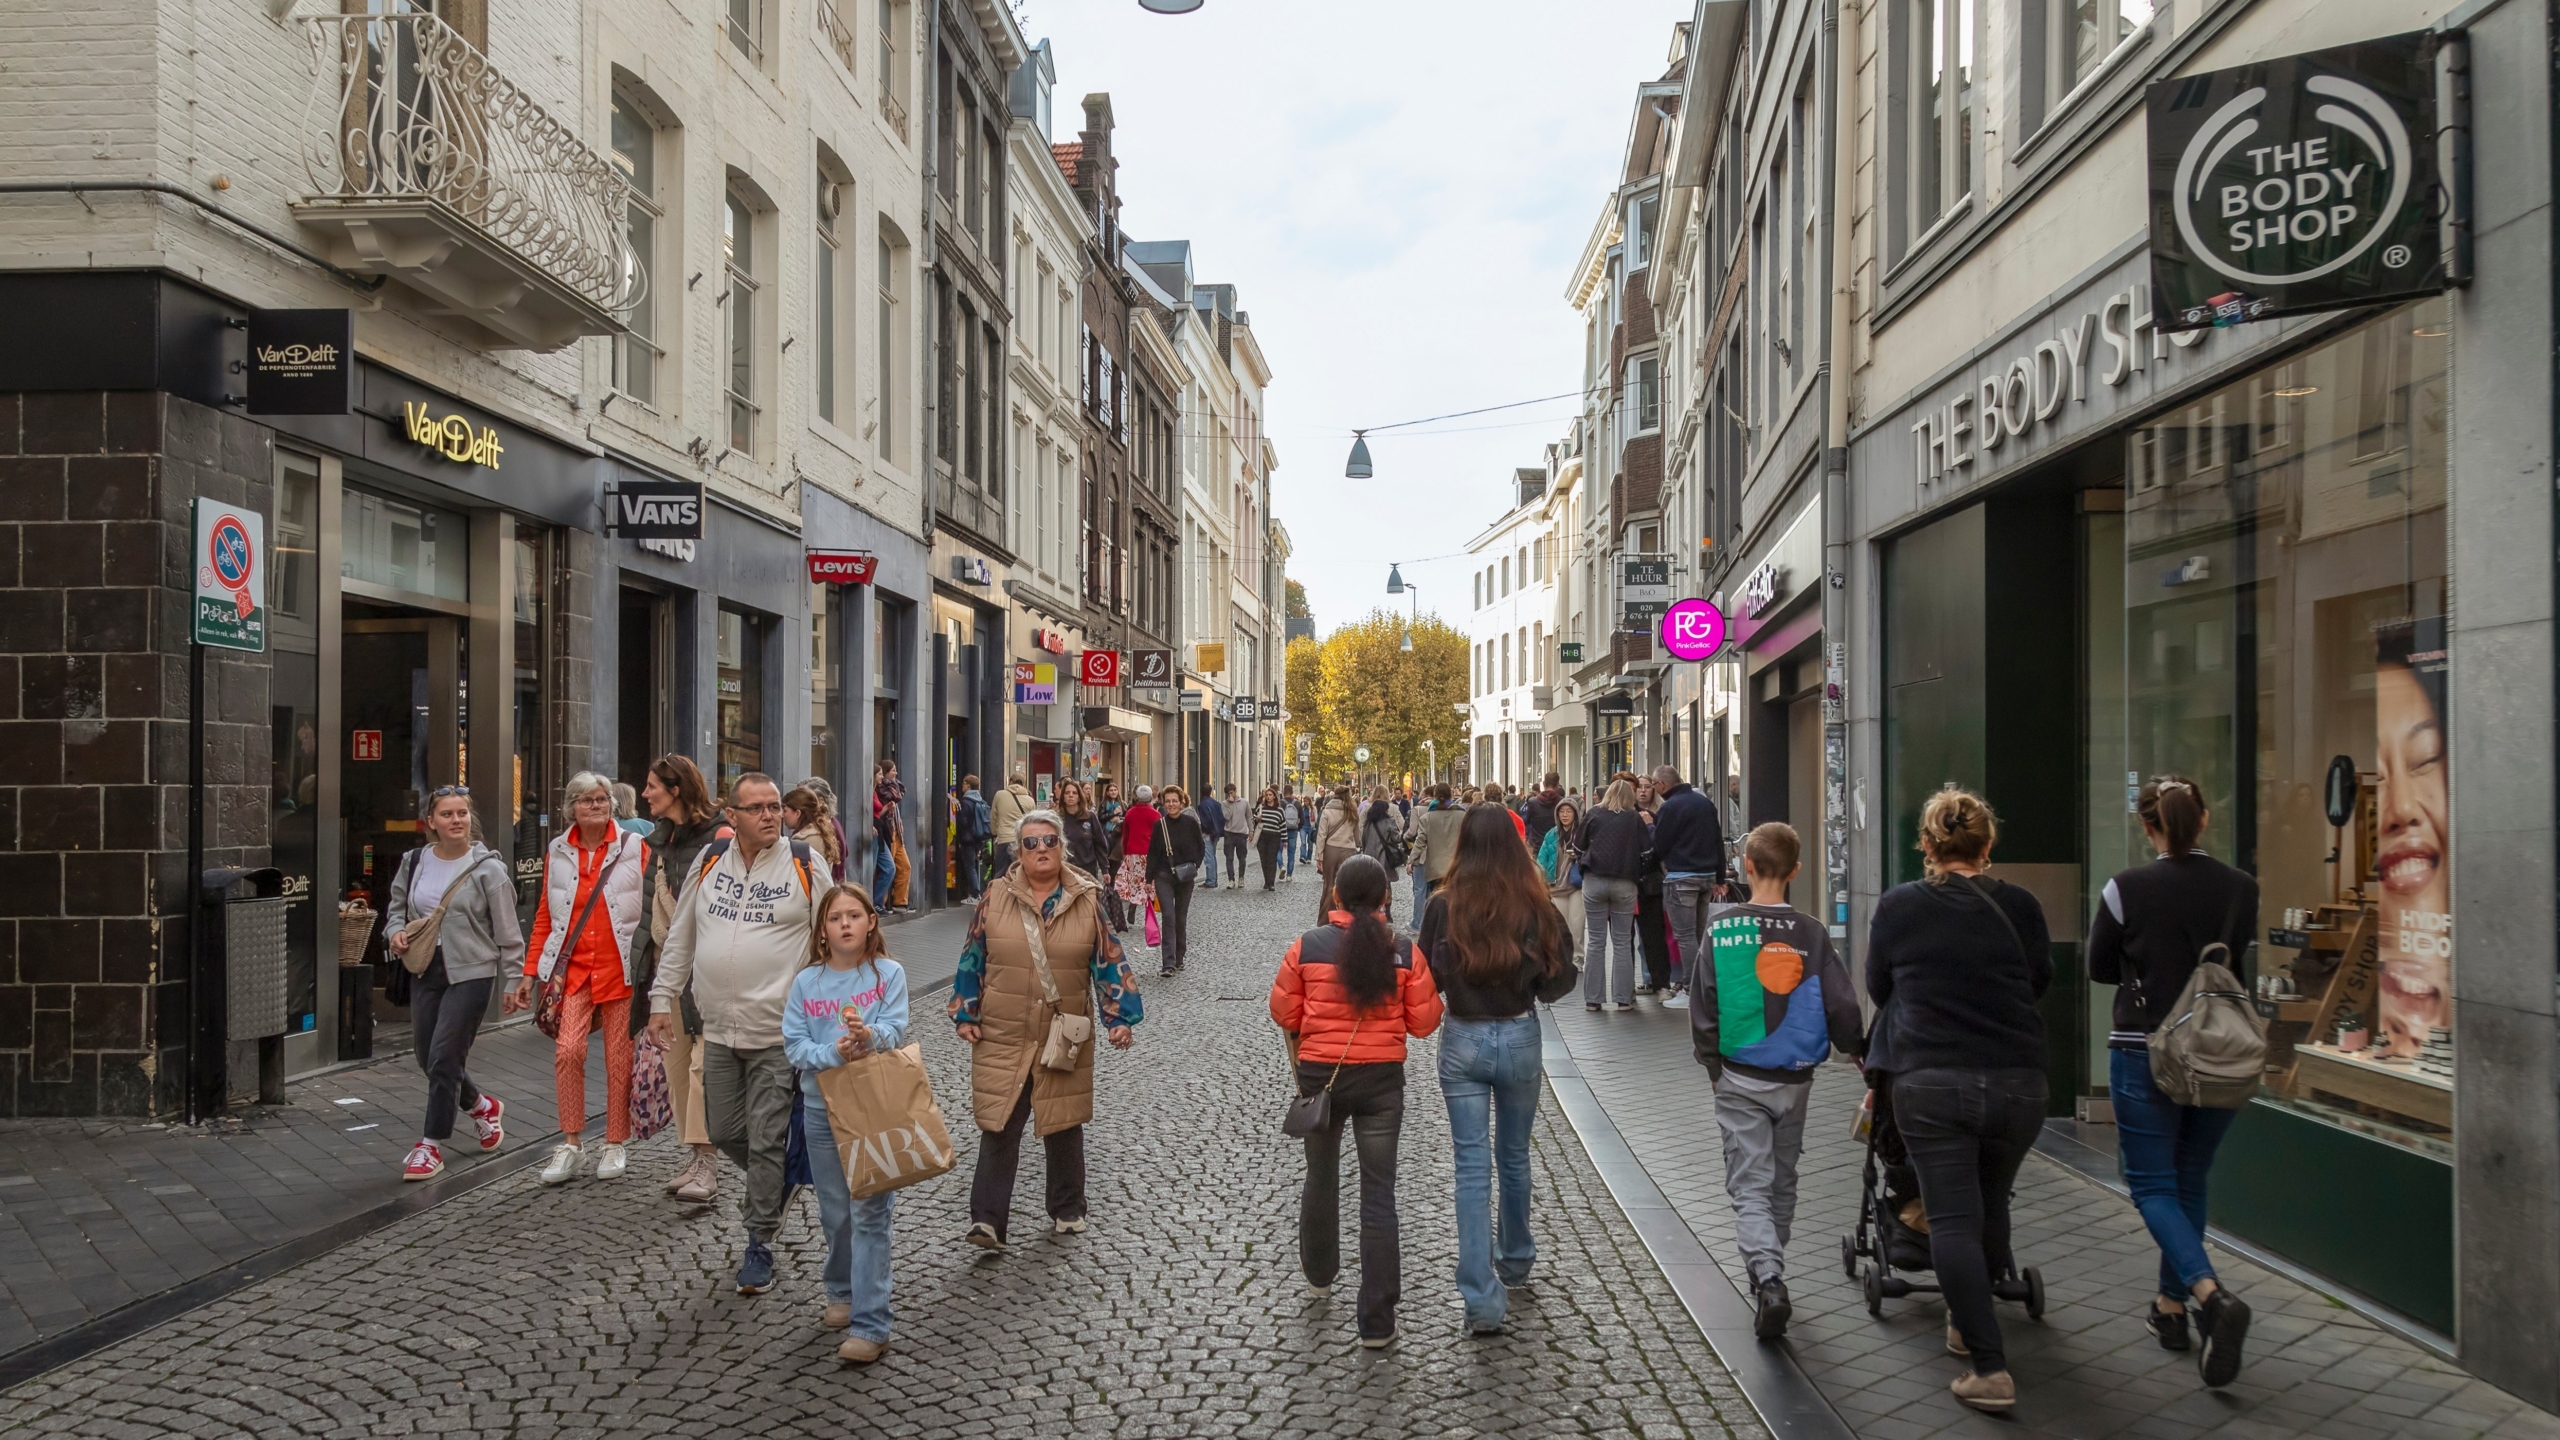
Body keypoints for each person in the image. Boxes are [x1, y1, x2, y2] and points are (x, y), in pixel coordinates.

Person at [1864, 788, 2051, 1413]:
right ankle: (1965, 1324)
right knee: (1992, 1204)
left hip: (1931, 1080)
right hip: (2017, 1079)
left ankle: (1990, 1367)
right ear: (1987, 844)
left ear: (1926, 844)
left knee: (1950, 1218)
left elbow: (1879, 985)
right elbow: (2040, 979)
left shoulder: (1899, 906)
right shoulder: (2020, 905)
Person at [2086, 775, 2259, 1387]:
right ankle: (2169, 1307)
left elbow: (2099, 967)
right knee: (2190, 1178)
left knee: (2152, 1184)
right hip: (2219, 1052)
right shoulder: (2242, 888)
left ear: (2147, 825)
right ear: (2204, 819)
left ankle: (2210, 1296)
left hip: (2145, 1050)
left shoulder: (2125, 888)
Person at [648, 773, 831, 1295]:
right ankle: (779, 1181)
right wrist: (662, 999)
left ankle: (759, 1243)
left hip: (780, 1031)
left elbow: (836, 933)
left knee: (767, 1136)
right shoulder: (710, 862)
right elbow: (681, 936)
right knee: (725, 1130)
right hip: (719, 1030)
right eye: (757, 808)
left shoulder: (804, 863)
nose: (770, 815)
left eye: (774, 806)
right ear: (732, 816)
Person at [1691, 822, 1863, 1339]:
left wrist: (1713, 1067)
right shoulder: (1811, 932)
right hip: (1796, 1077)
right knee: (1783, 1179)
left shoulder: (1721, 929)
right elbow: (1842, 1005)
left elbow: (1704, 1005)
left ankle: (1768, 1276)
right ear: (1796, 871)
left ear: (1746, 866)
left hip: (1740, 1074)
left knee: (1749, 1183)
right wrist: (1857, 1051)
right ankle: (1771, 1267)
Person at [1417, 806, 1579, 1335]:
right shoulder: (1534, 904)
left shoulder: (1444, 905)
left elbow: (1426, 974)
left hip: (1464, 1036)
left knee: (1470, 1166)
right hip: (1518, 1033)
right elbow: (1560, 979)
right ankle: (1516, 1258)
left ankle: (1481, 1300)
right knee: (1514, 1155)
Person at [1271, 854, 1444, 1348]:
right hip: (1381, 1083)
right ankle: (1377, 1320)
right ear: (1386, 898)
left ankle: (1319, 1274)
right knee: (1379, 1192)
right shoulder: (1403, 952)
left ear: (1336, 896)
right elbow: (1425, 1022)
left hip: (1320, 1078)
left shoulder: (1306, 946)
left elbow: (1283, 1011)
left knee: (1320, 1175)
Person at [949, 811, 1144, 1247]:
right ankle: (987, 1220)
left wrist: (1119, 1018)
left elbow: (1109, 960)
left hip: (1062, 1030)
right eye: (1031, 843)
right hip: (1004, 1029)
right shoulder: (995, 896)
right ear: (1018, 852)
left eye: (1050, 841)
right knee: (1000, 1122)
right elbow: (972, 955)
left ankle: (1068, 1207)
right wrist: (966, 1011)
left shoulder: (1085, 900)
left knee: (1063, 1120)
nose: (1041, 849)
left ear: (1063, 848)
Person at [784, 883, 910, 1365]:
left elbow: (896, 1028)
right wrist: (831, 1052)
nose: (845, 925)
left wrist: (869, 1035)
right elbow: (795, 1045)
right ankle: (841, 1290)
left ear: (871, 921)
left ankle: (872, 1323)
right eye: (835, 918)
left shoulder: (888, 974)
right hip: (821, 1109)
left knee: (870, 1213)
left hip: (874, 1105)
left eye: (854, 916)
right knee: (836, 1212)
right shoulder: (806, 982)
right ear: (823, 929)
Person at [510, 772, 649, 1185]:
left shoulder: (633, 846)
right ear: (571, 806)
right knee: (568, 1051)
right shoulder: (557, 850)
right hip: (573, 970)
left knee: (619, 1058)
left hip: (620, 967)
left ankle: (615, 1141)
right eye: (587, 800)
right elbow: (544, 916)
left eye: (602, 799)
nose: (596, 806)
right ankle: (571, 1142)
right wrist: (530, 972)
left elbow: (652, 904)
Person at [385, 786, 517, 1181]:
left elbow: (508, 931)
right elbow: (396, 908)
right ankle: (481, 1107)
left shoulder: (488, 869)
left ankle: (430, 1145)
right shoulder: (414, 862)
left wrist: (514, 980)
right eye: (447, 814)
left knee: (444, 1057)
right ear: (431, 821)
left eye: (462, 813)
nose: (456, 820)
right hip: (425, 967)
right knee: (427, 1056)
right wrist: (394, 932)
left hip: (473, 972)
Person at [635, 754, 729, 1201]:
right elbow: (651, 907)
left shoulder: (721, 836)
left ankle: (708, 1165)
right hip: (671, 968)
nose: (645, 794)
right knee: (676, 1066)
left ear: (676, 790)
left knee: (702, 1068)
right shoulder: (663, 838)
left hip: (709, 969)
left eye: (652, 786)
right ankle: (694, 1157)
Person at [1650, 765, 1728, 1012]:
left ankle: (1691, 989)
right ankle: (1701, 987)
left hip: (1681, 877)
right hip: (1706, 877)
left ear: (1662, 785)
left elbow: (1660, 844)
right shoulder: (1704, 804)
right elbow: (1717, 840)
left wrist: (1650, 854)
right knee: (1697, 935)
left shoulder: (1669, 807)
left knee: (1684, 936)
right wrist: (1720, 877)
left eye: (1654, 785)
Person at [1576, 779, 1652, 1011]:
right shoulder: (1634, 818)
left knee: (1596, 941)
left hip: (1594, 881)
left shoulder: (1593, 815)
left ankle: (1593, 1000)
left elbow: (1577, 847)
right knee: (1622, 941)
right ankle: (1623, 999)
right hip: (1625, 882)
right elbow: (1647, 852)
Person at [1147, 785, 1205, 975]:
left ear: (1182, 803)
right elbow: (1152, 853)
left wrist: (1195, 865)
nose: (1171, 804)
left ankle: (1179, 957)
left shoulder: (1190, 823)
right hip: (1163, 875)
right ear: (1163, 803)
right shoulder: (1159, 825)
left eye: (1175, 801)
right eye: (1168, 801)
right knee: (1168, 917)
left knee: (1180, 918)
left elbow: (1201, 846)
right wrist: (1148, 879)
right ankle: (1168, 963)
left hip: (1185, 877)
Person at [1536, 799, 1585, 951]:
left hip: (1576, 886)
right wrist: (1542, 881)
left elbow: (1591, 854)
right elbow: (1541, 859)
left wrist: (1579, 856)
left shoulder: (1582, 833)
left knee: (1576, 927)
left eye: (1569, 811)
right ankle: (1563, 959)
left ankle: (1578, 958)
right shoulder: (1552, 834)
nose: (1565, 815)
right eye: (1561, 811)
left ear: (1575, 814)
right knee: (1559, 929)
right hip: (1556, 886)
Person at [1115, 785, 1161, 935]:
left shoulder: (1130, 813)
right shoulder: (1155, 815)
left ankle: (1133, 904)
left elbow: (1125, 834)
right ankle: (1149, 915)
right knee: (1149, 883)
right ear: (1150, 797)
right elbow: (1159, 837)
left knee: (1134, 882)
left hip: (1133, 851)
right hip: (1149, 852)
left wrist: (1124, 852)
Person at [1315, 786, 1360, 919]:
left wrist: (1319, 856)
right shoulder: (1352, 811)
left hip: (1331, 849)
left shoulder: (1327, 811)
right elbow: (1357, 836)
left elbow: (1321, 835)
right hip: (1348, 849)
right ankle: (1346, 916)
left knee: (1329, 884)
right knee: (1346, 884)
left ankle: (1325, 918)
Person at [871, 759, 909, 911]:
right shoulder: (881, 790)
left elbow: (901, 791)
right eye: (892, 770)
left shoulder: (880, 789)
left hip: (891, 832)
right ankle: (879, 902)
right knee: (882, 868)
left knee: (896, 867)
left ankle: (895, 902)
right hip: (885, 831)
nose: (896, 773)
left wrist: (887, 808)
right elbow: (896, 796)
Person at [785, 784, 847, 876]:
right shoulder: (822, 830)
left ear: (797, 813)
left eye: (785, 810)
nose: (782, 815)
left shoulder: (805, 840)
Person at [1057, 780, 1111, 883]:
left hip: (1087, 869)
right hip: (1065, 869)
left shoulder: (1090, 817)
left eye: (1074, 793)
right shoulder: (1057, 818)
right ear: (1063, 797)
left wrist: (1105, 869)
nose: (1071, 795)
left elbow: (1100, 844)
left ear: (1079, 797)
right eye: (1067, 793)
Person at [949, 776, 991, 901]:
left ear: (968, 785)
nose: (962, 786)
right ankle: (976, 893)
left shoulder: (965, 802)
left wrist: (957, 840)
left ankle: (975, 895)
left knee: (970, 867)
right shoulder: (980, 800)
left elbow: (962, 823)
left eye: (963, 783)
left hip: (967, 839)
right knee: (975, 864)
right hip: (978, 837)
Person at [990, 770, 1033, 878]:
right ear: (1024, 784)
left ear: (1010, 781)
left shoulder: (1000, 795)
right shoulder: (1030, 800)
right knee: (1020, 874)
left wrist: (995, 832)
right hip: (1020, 841)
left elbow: (994, 817)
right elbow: (1032, 822)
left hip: (1004, 839)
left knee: (1000, 874)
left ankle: (999, 889)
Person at [1254, 785, 1289, 889]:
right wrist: (1257, 818)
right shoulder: (1261, 808)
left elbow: (1283, 825)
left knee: (1272, 859)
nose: (1268, 797)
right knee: (1264, 859)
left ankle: (1271, 883)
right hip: (1262, 837)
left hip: (1274, 837)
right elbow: (1253, 820)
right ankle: (1266, 881)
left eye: (1270, 795)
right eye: (1267, 795)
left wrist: (1285, 839)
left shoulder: (1279, 810)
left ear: (1274, 796)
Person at [1220, 784, 1254, 890]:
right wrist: (1230, 804)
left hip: (1241, 834)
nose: (1231, 795)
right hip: (1229, 833)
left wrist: (1251, 831)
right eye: (1228, 794)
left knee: (1242, 858)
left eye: (1232, 792)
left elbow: (1249, 817)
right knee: (1229, 858)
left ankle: (1241, 878)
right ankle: (1231, 880)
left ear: (1235, 791)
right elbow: (1227, 817)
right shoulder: (1224, 804)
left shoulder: (1244, 802)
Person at [1194, 785, 1226, 889]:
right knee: (1212, 856)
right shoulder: (1216, 803)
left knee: (1209, 858)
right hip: (1216, 833)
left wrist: (1206, 831)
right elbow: (1221, 819)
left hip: (1209, 833)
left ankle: (1211, 880)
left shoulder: (1202, 805)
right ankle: (1213, 879)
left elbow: (1206, 820)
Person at [1522, 774, 1562, 852]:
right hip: (1555, 846)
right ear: (1558, 785)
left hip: (1536, 845)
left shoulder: (1532, 802)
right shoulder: (1561, 802)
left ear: (1544, 783)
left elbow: (1528, 820)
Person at [1281, 788, 1304, 878]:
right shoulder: (1297, 803)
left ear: (1284, 792)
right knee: (1291, 853)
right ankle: (1289, 875)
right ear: (1292, 792)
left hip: (1282, 830)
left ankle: (1281, 866)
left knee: (1278, 850)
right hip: (1293, 830)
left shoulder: (1280, 803)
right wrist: (1298, 828)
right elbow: (1302, 820)